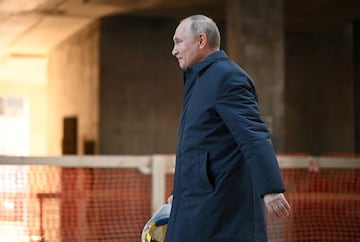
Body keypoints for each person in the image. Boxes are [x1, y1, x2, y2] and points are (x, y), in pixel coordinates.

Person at [164, 14, 291, 242]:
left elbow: (253, 135)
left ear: (201, 40)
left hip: (219, 208)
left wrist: (271, 188)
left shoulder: (227, 78)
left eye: (179, 42)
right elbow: (200, 146)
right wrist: (179, 192)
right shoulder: (197, 79)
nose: (174, 50)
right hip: (195, 200)